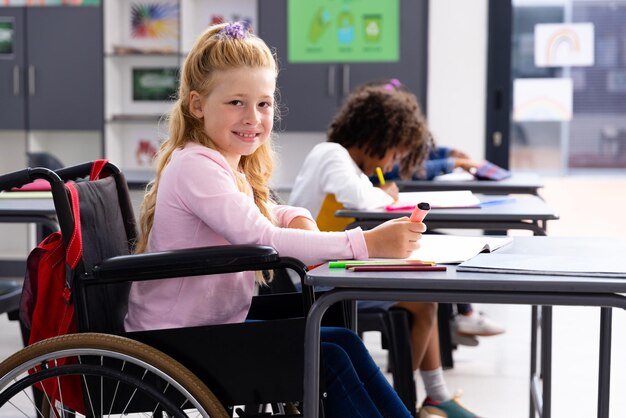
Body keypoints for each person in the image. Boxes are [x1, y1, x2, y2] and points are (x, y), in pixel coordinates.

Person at [124, 22, 423, 418]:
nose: (253, 118)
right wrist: (367, 244)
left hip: (212, 324)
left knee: (341, 343)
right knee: (328, 356)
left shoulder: (222, 161)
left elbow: (261, 214)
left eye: (263, 104)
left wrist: (296, 215)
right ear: (197, 105)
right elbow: (260, 234)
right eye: (236, 103)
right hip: (176, 340)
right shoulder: (197, 165)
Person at [289, 80, 481, 418]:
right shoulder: (331, 154)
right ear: (376, 135)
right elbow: (361, 198)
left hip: (331, 269)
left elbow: (369, 195)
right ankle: (408, 400)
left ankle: (429, 398)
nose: (392, 161)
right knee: (423, 303)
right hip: (313, 281)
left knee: (424, 296)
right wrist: (388, 195)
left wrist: (384, 193)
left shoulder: (347, 163)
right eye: (393, 152)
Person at [367, 79, 506, 347]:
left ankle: (460, 316)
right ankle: (462, 315)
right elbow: (408, 169)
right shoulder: (367, 153)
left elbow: (419, 155)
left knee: (441, 242)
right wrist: (452, 162)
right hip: (376, 227)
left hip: (383, 220)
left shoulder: (386, 146)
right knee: (436, 244)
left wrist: (448, 154)